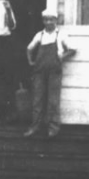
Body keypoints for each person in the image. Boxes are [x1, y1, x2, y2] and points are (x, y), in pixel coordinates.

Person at [24, 9, 75, 138]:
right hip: (39, 72)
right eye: (46, 20)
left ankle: (53, 128)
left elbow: (72, 50)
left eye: (51, 19)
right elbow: (29, 48)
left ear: (56, 21)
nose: (48, 22)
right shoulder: (39, 35)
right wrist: (31, 61)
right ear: (43, 21)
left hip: (54, 72)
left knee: (53, 100)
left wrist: (62, 57)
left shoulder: (61, 35)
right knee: (37, 100)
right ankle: (35, 127)